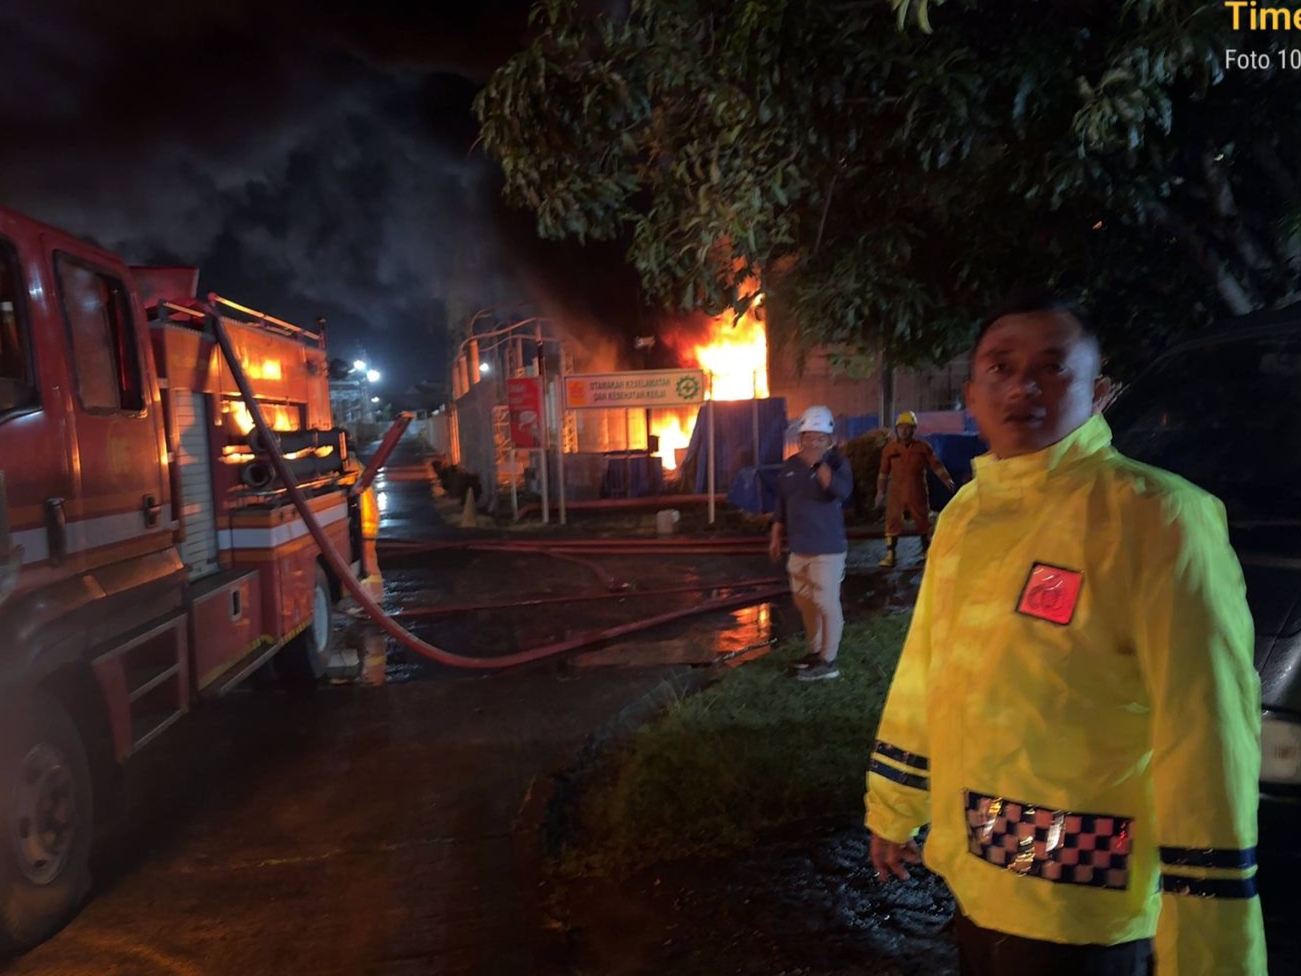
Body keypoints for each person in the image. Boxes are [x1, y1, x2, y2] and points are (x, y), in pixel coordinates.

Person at [865, 292, 1265, 975]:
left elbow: (1207, 732)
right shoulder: (965, 514)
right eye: (1001, 367)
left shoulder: (1158, 518)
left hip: (1083, 903)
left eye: (1052, 368)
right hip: (976, 879)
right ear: (971, 393)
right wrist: (893, 806)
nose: (1022, 387)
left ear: (1099, 393)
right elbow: (925, 668)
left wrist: (1209, 948)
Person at [769, 405, 853, 682]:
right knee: (804, 602)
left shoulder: (838, 464)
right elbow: (783, 501)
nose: (813, 443)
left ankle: (828, 661)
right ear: (800, 438)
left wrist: (818, 464)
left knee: (826, 602)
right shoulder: (790, 466)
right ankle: (815, 651)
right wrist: (776, 532)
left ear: (830, 440)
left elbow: (840, 491)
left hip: (827, 548)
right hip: (799, 547)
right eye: (808, 437)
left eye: (820, 438)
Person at [875, 411, 956, 568]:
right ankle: (891, 555)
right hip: (896, 492)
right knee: (892, 520)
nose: (904, 431)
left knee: (922, 520)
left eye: (908, 428)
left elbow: (936, 464)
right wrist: (880, 491)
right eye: (901, 428)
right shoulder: (890, 449)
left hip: (917, 490)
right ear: (897, 429)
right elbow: (883, 473)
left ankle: (926, 551)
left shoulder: (923, 447)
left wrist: (946, 479)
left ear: (913, 429)